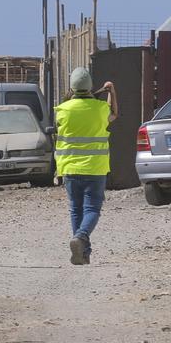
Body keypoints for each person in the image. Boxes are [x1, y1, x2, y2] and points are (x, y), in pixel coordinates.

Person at [55, 68, 117, 265]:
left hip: (70, 167)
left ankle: (83, 254)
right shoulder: (100, 109)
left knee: (76, 209)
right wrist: (111, 91)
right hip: (94, 168)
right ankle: (81, 237)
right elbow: (113, 114)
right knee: (92, 209)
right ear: (90, 86)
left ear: (72, 87)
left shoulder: (62, 110)